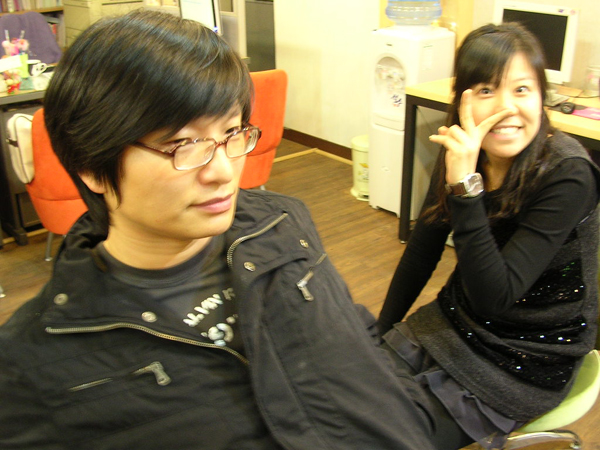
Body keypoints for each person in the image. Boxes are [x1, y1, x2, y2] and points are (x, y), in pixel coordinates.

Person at [0, 9, 441, 450]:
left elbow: (355, 333)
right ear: (91, 166)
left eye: (232, 132)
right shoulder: (32, 364)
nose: (223, 171)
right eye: (182, 144)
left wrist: (404, 411)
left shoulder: (281, 221)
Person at [378, 22, 600, 449]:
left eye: (522, 90)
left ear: (542, 97)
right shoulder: (464, 151)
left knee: (387, 437)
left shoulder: (567, 174)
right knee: (353, 393)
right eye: (485, 90)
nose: (506, 108)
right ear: (461, 98)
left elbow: (496, 296)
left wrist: (465, 188)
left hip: (529, 355)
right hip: (457, 320)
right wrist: (381, 333)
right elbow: (421, 252)